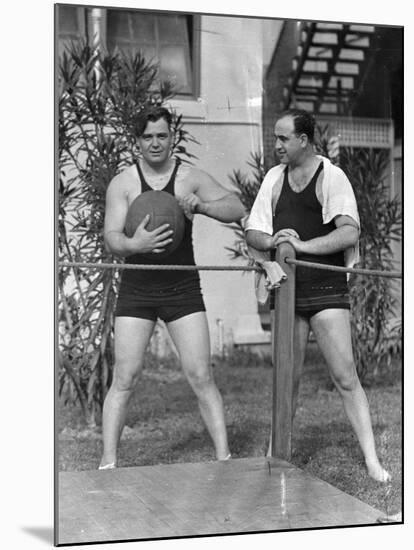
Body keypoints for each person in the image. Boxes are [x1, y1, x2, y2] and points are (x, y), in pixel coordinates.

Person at [245, 108, 390, 482]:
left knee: (345, 376)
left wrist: (302, 245)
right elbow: (253, 233)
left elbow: (349, 232)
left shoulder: (331, 176)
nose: (275, 145)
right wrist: (273, 240)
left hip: (325, 290)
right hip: (287, 290)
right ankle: (276, 456)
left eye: (282, 138)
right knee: (286, 380)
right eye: (275, 138)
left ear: (304, 140)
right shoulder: (274, 180)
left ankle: (372, 461)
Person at [100, 106, 245, 469]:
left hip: (182, 289)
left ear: (172, 138)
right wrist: (136, 246)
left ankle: (224, 458)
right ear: (137, 142)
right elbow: (112, 237)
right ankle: (107, 462)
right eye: (148, 137)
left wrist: (202, 206)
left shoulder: (188, 178)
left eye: (161, 135)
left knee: (200, 375)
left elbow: (236, 206)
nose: (155, 143)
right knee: (125, 376)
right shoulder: (124, 183)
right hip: (137, 290)